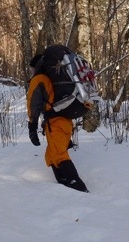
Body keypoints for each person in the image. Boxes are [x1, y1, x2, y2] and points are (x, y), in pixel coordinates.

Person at [26, 52, 88, 192]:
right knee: (51, 155)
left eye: (32, 69)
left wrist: (32, 127)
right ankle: (64, 186)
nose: (31, 72)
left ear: (36, 67)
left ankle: (79, 189)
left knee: (59, 156)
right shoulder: (55, 77)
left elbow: (33, 104)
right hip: (65, 121)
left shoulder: (39, 79)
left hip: (55, 123)